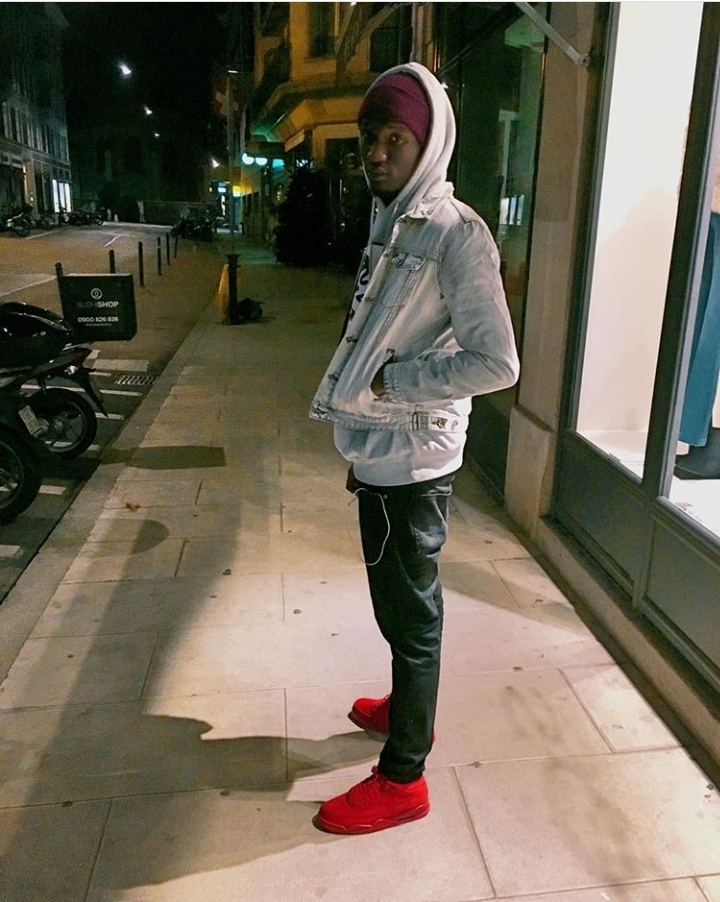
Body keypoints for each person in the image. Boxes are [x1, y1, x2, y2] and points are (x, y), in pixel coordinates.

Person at [309, 62, 520, 834]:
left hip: (414, 455)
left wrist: (392, 382)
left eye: (393, 138)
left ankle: (404, 778)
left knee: (410, 610)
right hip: (384, 445)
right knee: (395, 601)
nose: (375, 153)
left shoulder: (457, 234)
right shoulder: (394, 221)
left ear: (427, 144)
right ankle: (407, 705)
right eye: (369, 138)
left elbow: (497, 362)